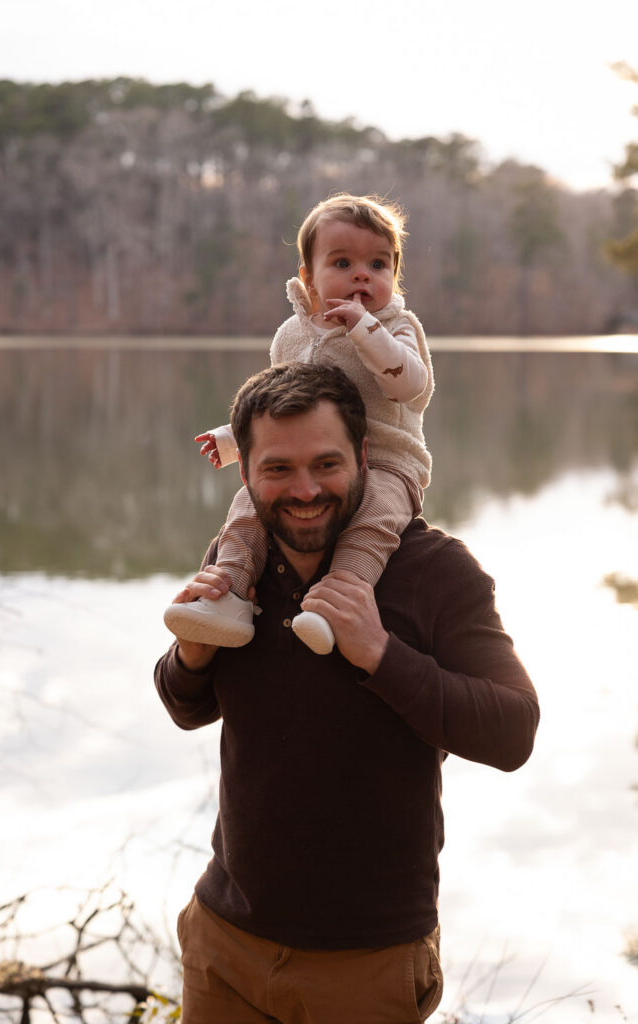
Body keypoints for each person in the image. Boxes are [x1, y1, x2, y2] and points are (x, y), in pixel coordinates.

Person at [155, 362, 540, 1024]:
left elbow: (511, 732)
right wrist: (190, 655)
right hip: (225, 944)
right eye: (277, 469)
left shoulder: (433, 571)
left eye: (325, 464)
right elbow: (188, 707)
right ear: (244, 472)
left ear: (362, 455)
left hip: (366, 961)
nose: (304, 490)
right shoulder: (238, 561)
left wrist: (379, 653)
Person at [164, 193, 433, 656]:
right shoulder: (291, 335)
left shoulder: (396, 326)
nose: (362, 275)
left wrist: (365, 329)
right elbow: (279, 404)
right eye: (343, 262)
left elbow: (409, 385)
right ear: (308, 279)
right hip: (310, 459)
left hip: (390, 463)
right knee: (247, 508)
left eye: (379, 264)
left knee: (373, 520)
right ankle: (225, 595)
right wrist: (236, 439)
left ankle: (336, 604)